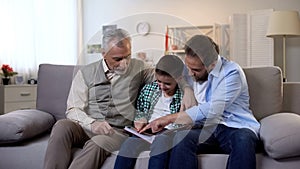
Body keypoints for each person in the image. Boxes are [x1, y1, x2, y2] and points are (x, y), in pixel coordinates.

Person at [43, 28, 196, 169]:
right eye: (117, 59)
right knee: (62, 125)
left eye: (127, 57)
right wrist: (93, 124)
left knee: (98, 143)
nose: (124, 63)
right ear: (103, 53)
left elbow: (167, 74)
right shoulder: (85, 73)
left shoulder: (139, 68)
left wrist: (187, 88)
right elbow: (73, 109)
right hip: (87, 127)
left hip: (116, 132)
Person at [141, 35, 260, 169]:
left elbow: (213, 108)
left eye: (196, 70)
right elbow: (175, 76)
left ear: (212, 64)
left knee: (243, 140)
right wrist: (187, 88)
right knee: (181, 138)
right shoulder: (191, 69)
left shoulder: (232, 73)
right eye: (188, 67)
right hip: (206, 128)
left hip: (236, 126)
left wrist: (168, 119)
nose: (190, 73)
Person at [114, 55, 186, 169]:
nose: (162, 86)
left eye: (167, 84)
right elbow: (140, 110)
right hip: (147, 131)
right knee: (129, 143)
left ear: (179, 78)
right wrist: (140, 120)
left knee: (160, 142)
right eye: (159, 81)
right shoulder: (149, 89)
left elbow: (184, 122)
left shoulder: (184, 95)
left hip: (168, 133)